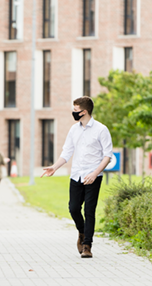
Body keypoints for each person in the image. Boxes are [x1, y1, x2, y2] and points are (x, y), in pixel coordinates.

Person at [42, 96, 113, 259]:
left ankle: (87, 245)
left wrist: (95, 174)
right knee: (73, 208)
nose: (73, 113)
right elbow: (66, 153)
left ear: (84, 112)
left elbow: (107, 156)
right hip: (76, 175)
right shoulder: (74, 130)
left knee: (89, 210)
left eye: (75, 111)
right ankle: (82, 231)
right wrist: (54, 167)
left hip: (93, 176)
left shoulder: (101, 130)